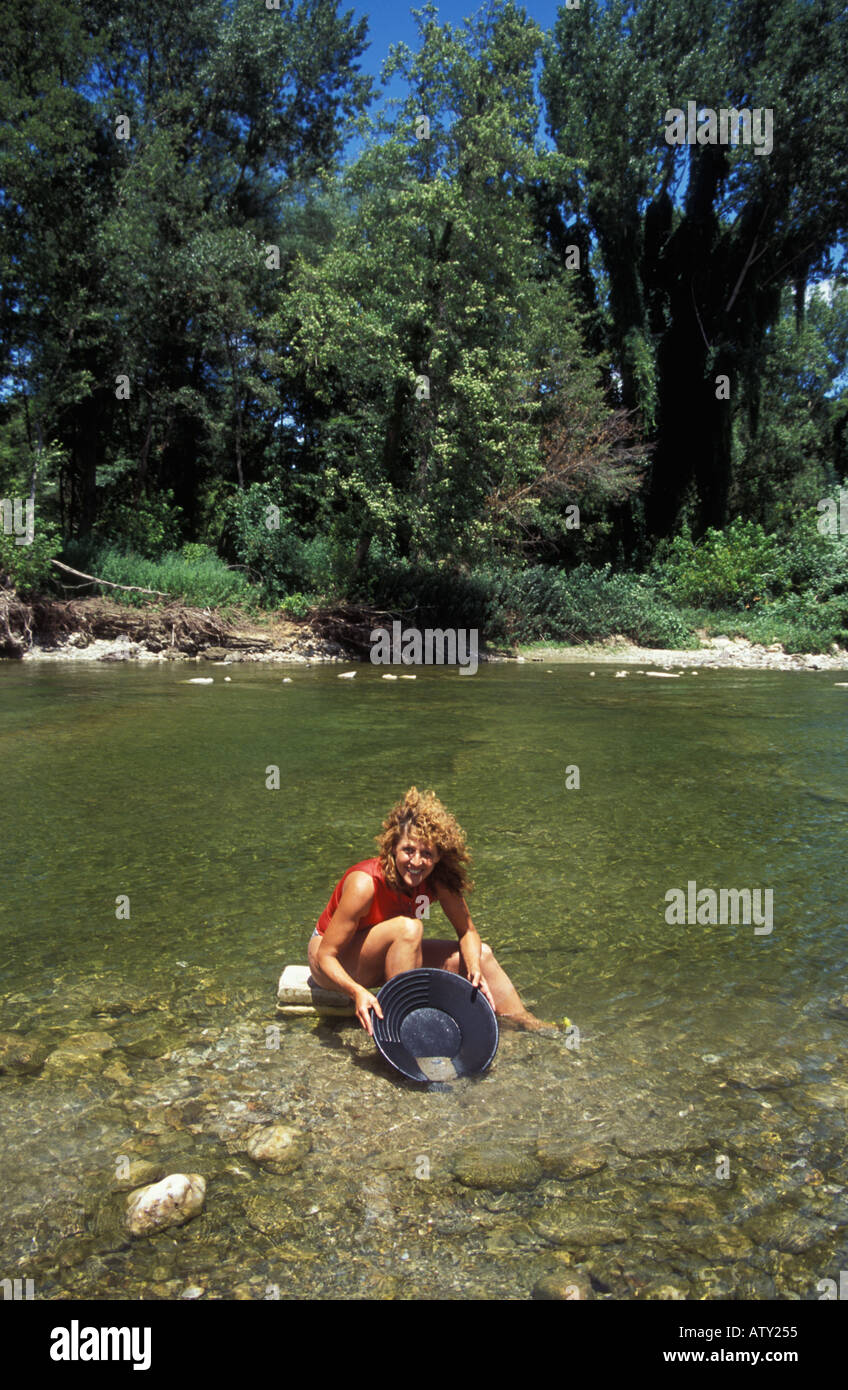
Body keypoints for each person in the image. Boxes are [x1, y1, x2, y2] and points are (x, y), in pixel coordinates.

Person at [308, 786, 544, 1034]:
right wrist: (357, 992)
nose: (417, 862)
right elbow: (326, 955)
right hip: (330, 962)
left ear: (439, 856)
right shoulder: (364, 883)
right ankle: (400, 1029)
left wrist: (473, 968)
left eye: (427, 854)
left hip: (388, 954)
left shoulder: (438, 880)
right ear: (393, 848)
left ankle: (529, 1025)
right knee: (410, 928)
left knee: (482, 955)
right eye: (408, 850)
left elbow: (468, 932)